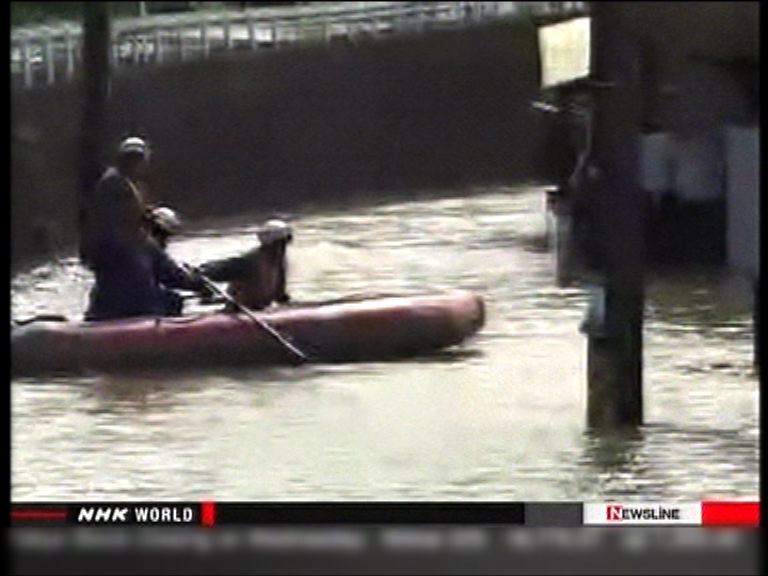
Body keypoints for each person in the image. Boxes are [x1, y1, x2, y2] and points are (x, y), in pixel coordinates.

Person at [83, 137, 207, 321]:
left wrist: (198, 280)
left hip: (111, 308)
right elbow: (171, 273)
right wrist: (199, 283)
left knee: (170, 297)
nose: (136, 164)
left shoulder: (136, 243)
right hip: (138, 309)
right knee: (171, 300)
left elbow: (173, 274)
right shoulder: (127, 241)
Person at [199, 219, 292, 311]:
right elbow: (220, 268)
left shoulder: (278, 262)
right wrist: (204, 270)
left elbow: (280, 296)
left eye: (285, 243)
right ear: (270, 243)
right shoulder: (248, 262)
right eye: (280, 243)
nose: (282, 248)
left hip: (263, 309)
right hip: (241, 311)